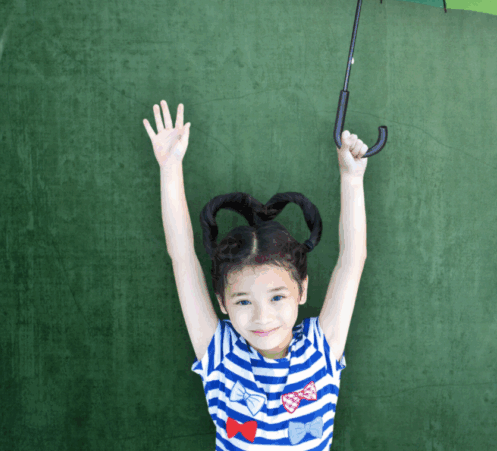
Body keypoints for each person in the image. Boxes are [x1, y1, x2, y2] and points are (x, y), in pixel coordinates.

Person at [143, 99, 369, 449]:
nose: (263, 317)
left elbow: (352, 260)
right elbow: (182, 257)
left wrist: (352, 178)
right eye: (244, 301)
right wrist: (169, 168)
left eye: (277, 296)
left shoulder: (320, 349)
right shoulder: (220, 354)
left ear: (302, 290)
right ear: (222, 303)